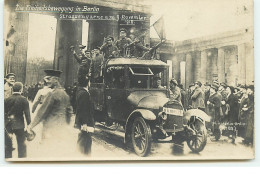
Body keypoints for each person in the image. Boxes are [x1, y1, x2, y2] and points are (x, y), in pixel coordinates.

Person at [29, 70, 73, 142]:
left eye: (49, 79)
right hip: (61, 129)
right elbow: (69, 111)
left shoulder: (52, 94)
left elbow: (42, 112)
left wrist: (31, 127)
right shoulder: (65, 94)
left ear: (56, 80)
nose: (47, 81)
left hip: (50, 128)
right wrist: (66, 124)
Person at [5, 82, 31, 158]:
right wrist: (29, 125)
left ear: (12, 89)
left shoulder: (7, 99)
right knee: (21, 144)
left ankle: (8, 158)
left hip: (8, 125)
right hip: (19, 125)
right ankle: (22, 159)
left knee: (8, 144)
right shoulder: (24, 100)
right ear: (21, 89)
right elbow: (27, 114)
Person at [74, 77, 95, 155]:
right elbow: (83, 109)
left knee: (85, 141)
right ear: (87, 83)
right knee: (84, 142)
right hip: (85, 123)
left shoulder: (80, 92)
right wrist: (84, 123)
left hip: (83, 122)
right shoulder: (84, 93)